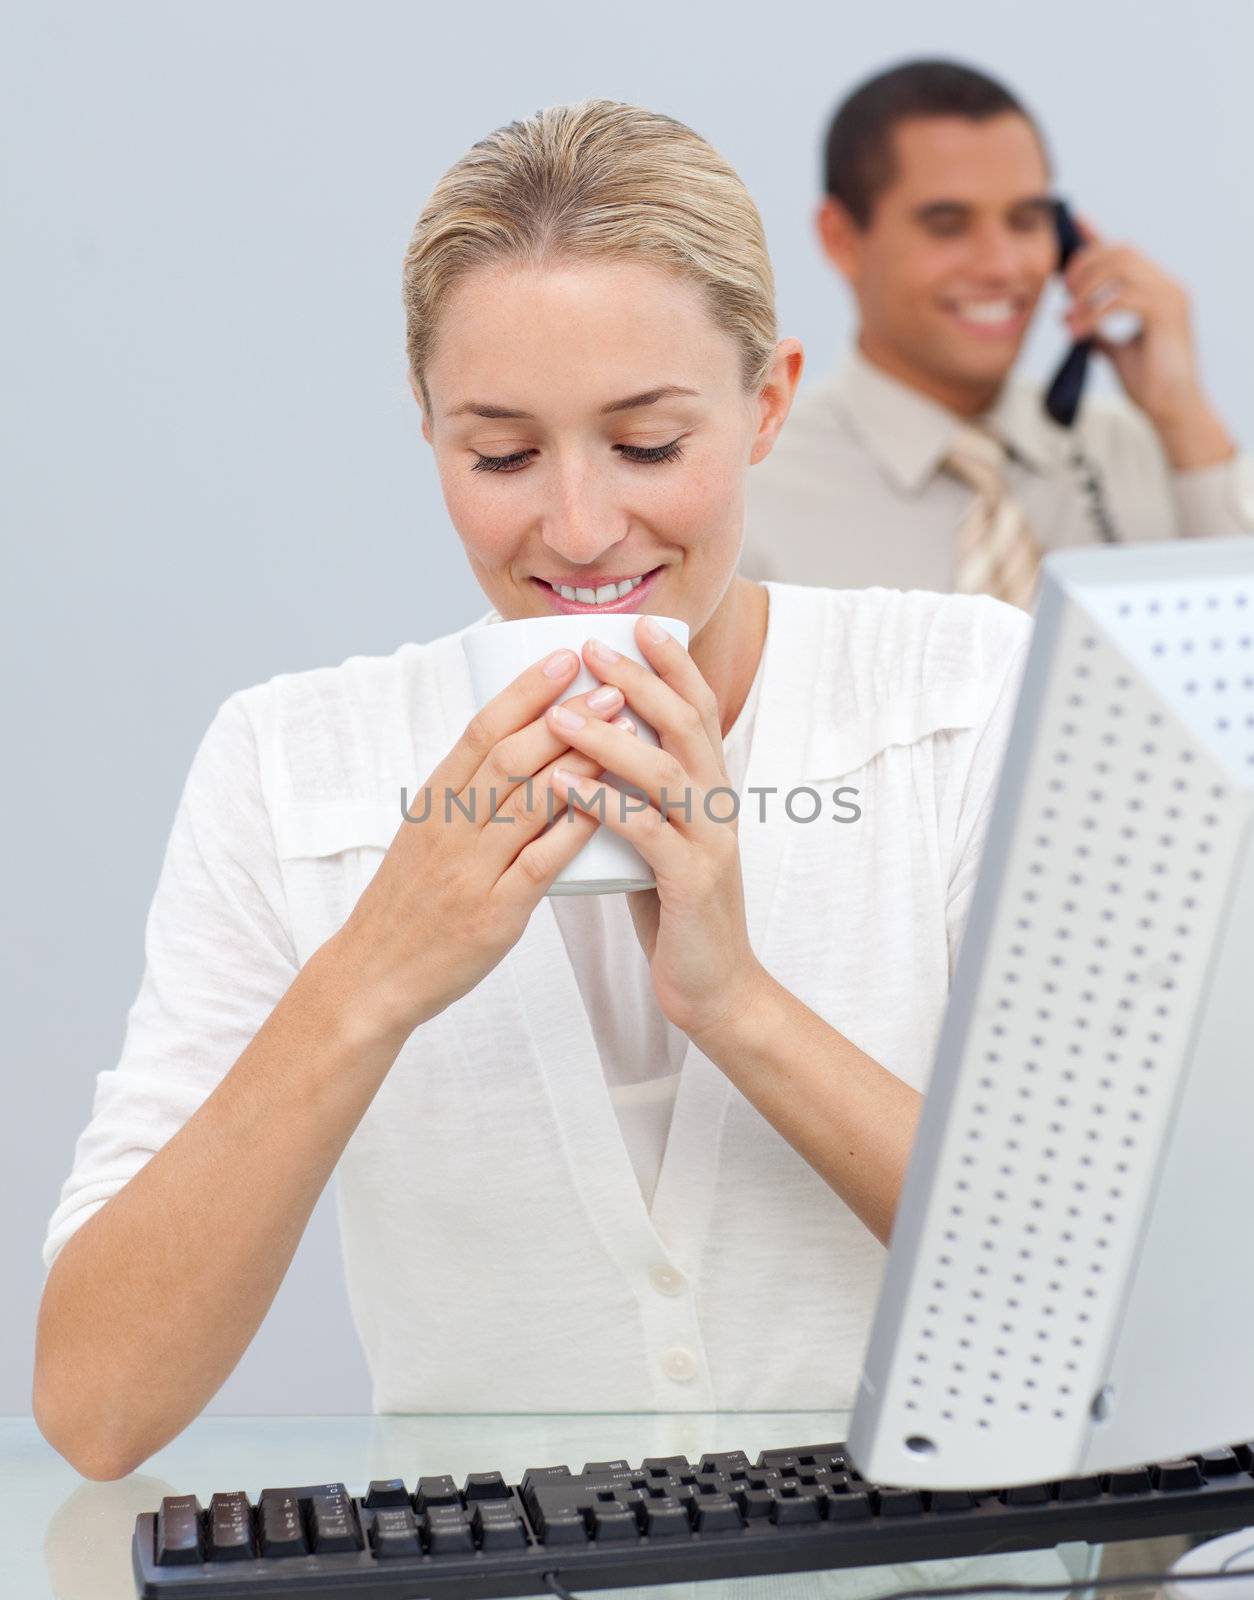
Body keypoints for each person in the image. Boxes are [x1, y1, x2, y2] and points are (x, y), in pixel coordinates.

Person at [34, 98, 1033, 1481]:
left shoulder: (969, 698)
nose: (575, 527)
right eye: (499, 454)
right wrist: (373, 973)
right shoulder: (288, 763)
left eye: (644, 444)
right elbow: (96, 1406)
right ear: (431, 432)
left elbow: (1082, 1308)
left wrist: (733, 1003)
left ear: (767, 404)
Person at [741, 59, 1254, 607]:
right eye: (948, 226)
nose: (1002, 266)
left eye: (1026, 220)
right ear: (841, 238)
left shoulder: (1140, 450)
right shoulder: (751, 485)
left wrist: (1184, 416)